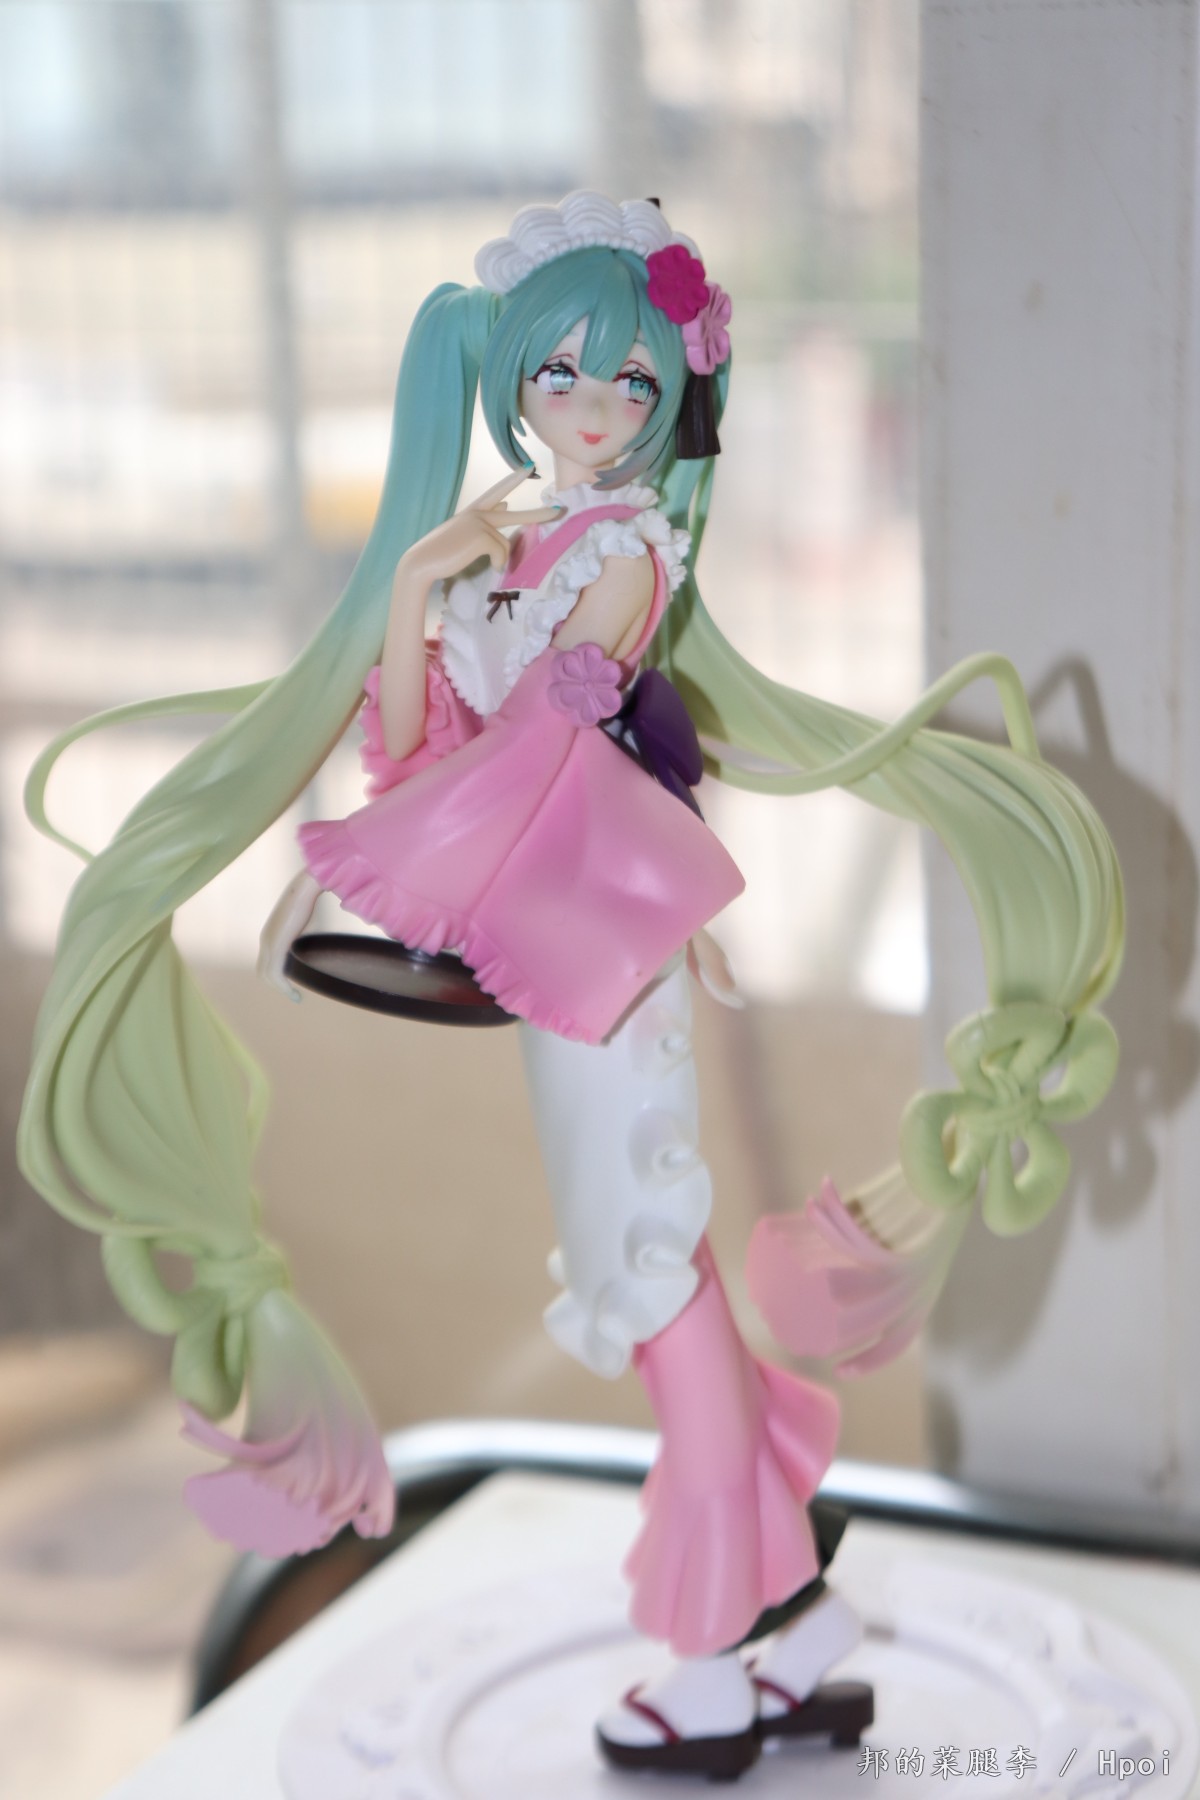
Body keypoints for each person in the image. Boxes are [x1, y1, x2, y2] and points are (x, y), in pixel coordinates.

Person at [19, 193, 1123, 1781]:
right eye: (563, 377)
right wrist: (417, 586)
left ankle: (724, 1653)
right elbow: (416, 744)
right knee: (642, 1257)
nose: (596, 410)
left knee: (647, 1261)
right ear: (516, 383)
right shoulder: (516, 537)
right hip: (552, 949)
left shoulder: (626, 548)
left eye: (630, 383)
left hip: (600, 944)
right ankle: (796, 1621)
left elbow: (544, 743)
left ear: (670, 399)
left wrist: (391, 855)